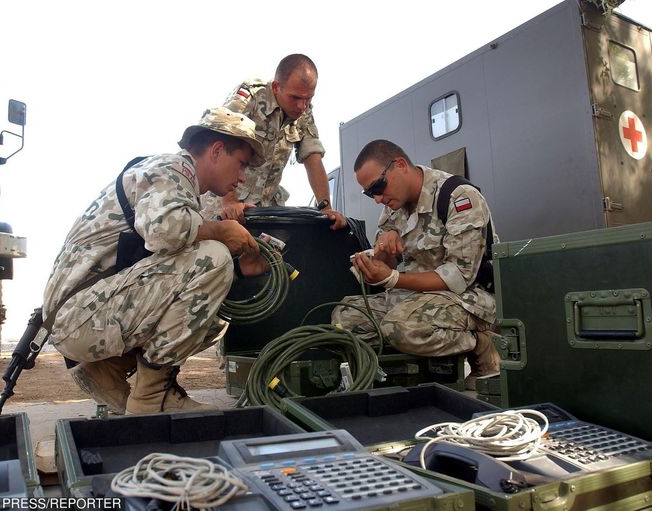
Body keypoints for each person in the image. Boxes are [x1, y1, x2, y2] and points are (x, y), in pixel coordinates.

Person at [42, 107, 268, 414]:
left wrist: (240, 270)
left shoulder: (177, 183)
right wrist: (219, 231)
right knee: (213, 259)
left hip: (83, 314)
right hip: (78, 317)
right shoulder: (172, 168)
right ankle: (152, 397)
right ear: (216, 151)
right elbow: (163, 232)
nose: (242, 177)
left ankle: (106, 370)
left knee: (214, 310)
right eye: (240, 164)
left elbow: (168, 270)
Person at [331, 139, 500, 386]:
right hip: (414, 298)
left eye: (378, 186)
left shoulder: (459, 197)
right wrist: (381, 255)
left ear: (400, 165)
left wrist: (392, 279)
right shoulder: (392, 206)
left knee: (400, 326)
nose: (377, 198)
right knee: (343, 319)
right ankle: (419, 368)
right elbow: (388, 261)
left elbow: (458, 276)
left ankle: (481, 342)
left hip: (469, 299)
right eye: (370, 193)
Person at [200, 53, 346, 230]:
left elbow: (312, 156)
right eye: (295, 98)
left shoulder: (304, 112)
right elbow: (222, 140)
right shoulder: (252, 96)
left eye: (308, 98)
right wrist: (229, 201)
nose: (302, 105)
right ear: (276, 87)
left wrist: (326, 208)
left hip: (264, 212)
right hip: (226, 208)